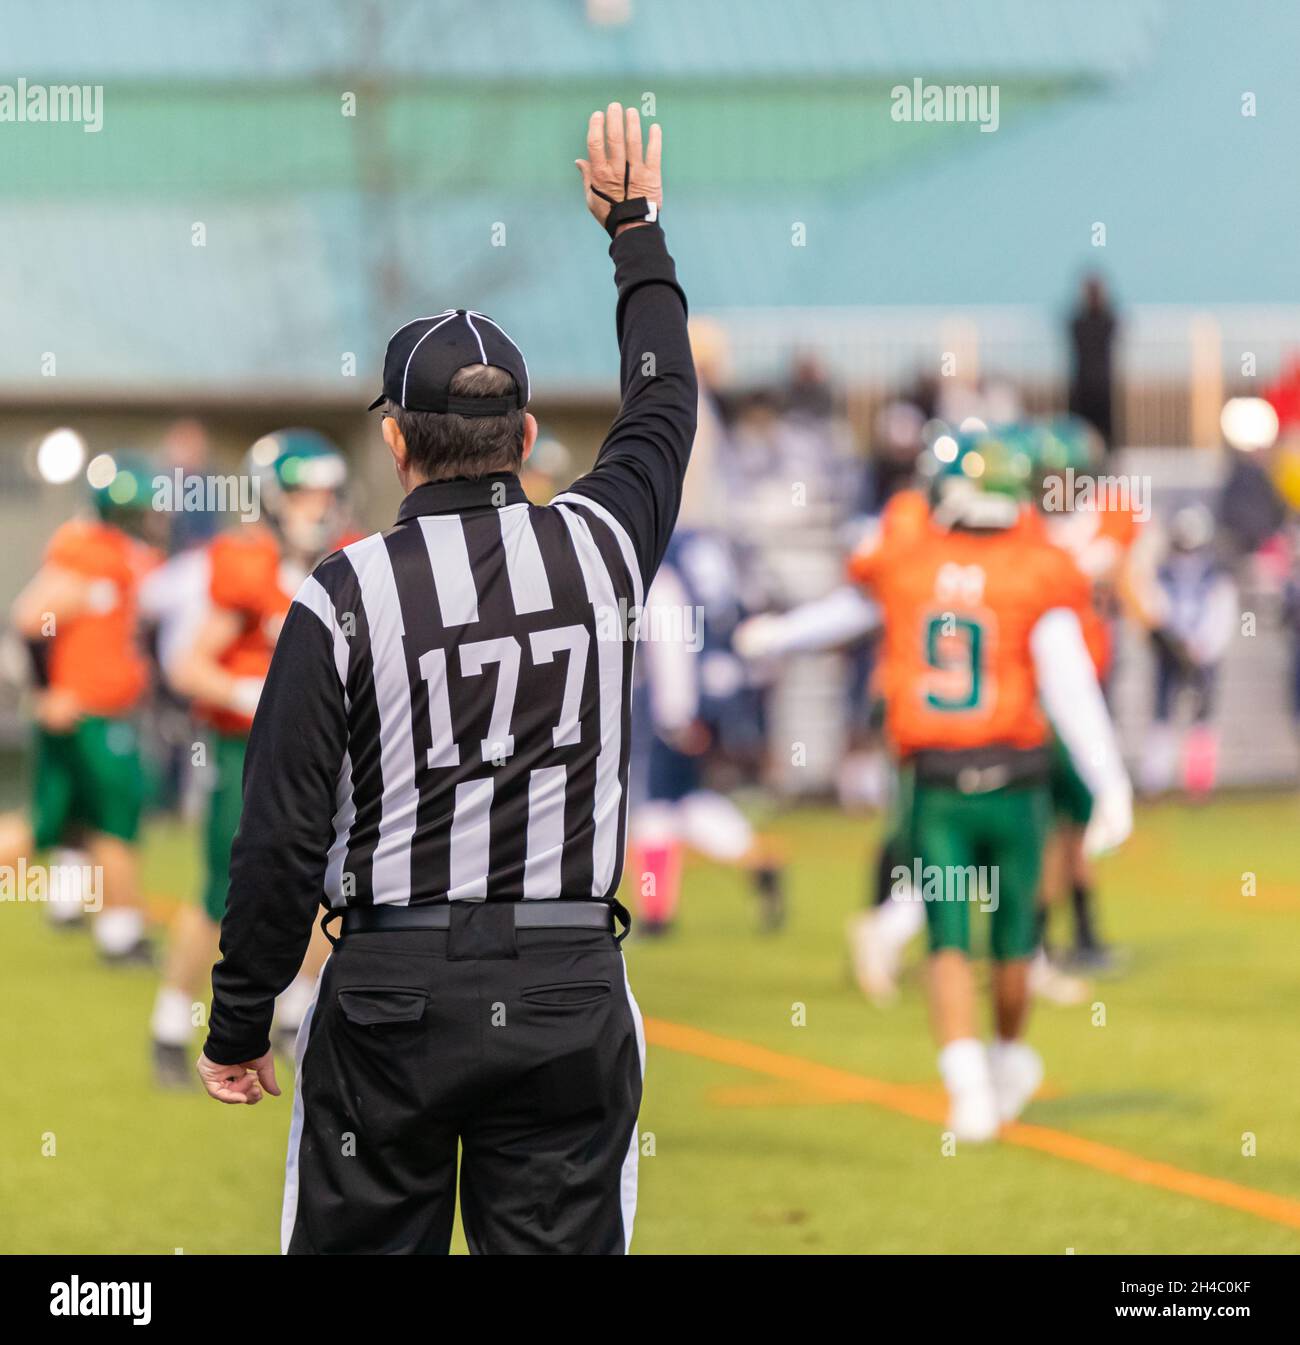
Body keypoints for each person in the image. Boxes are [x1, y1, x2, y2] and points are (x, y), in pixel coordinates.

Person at [197, 104, 696, 1254]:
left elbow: (279, 832)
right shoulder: (602, 542)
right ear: (525, 437)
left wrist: (239, 1021)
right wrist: (635, 232)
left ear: (396, 442)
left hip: (390, 990)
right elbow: (663, 400)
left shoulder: (342, 591)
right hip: (569, 979)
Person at [741, 428, 1133, 1141]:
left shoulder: (909, 558)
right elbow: (1071, 683)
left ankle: (972, 1085)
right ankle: (999, 1063)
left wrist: (777, 634)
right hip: (1015, 779)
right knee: (1011, 944)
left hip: (938, 781)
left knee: (951, 937)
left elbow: (848, 613)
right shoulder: (1035, 566)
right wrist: (1110, 779)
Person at [149, 431, 352, 1085]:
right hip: (244, 750)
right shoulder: (245, 562)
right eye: (301, 491)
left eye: (324, 490)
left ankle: (295, 1011)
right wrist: (266, 694)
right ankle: (171, 1022)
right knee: (223, 894)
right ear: (270, 495)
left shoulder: (348, 558)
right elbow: (187, 665)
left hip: (327, 754)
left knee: (333, 886)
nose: (315, 504)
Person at [0, 455, 160, 962]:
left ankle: (118, 931)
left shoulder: (118, 554)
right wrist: (46, 692)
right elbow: (29, 620)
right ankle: (122, 933)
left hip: (99, 714)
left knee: (66, 823)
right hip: (87, 716)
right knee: (110, 820)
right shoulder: (88, 552)